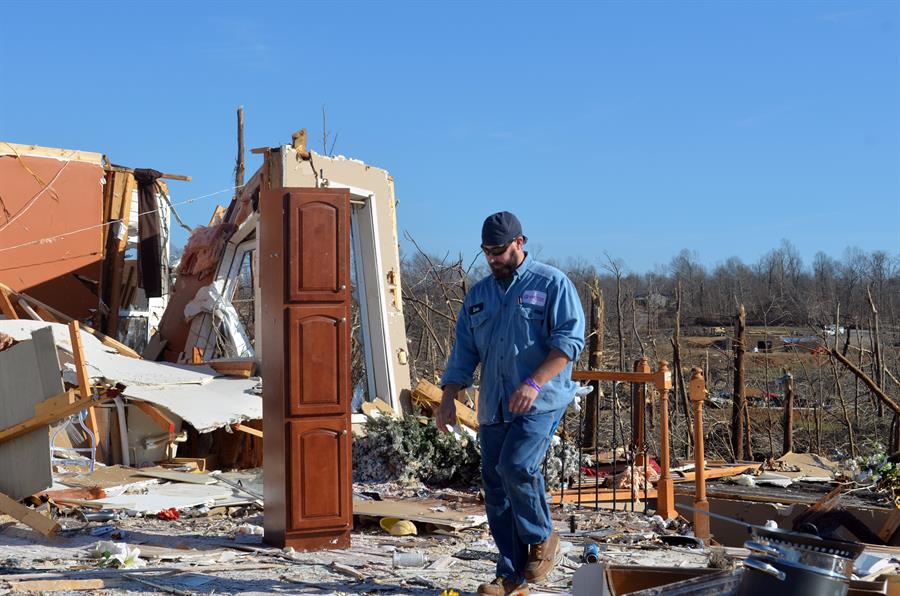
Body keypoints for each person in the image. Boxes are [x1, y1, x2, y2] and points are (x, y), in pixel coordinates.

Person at [436, 211, 585, 596]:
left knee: (516, 465)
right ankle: (511, 576)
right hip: (494, 404)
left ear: (520, 243)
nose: (492, 259)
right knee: (497, 487)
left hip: (540, 400)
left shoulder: (552, 284)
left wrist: (534, 382)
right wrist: (449, 397)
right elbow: (464, 352)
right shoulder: (479, 295)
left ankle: (541, 538)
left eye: (499, 251)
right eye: (486, 252)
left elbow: (569, 343)